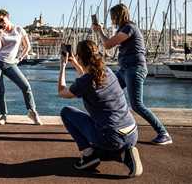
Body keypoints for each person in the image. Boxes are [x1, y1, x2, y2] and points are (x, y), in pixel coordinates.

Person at [58, 40, 143, 177]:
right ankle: (125, 155)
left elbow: (62, 92)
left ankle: (88, 156)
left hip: (111, 137)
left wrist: (62, 66)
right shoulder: (107, 71)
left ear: (80, 57)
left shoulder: (85, 82)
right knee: (104, 145)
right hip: (132, 132)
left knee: (66, 112)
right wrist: (75, 63)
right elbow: (87, 77)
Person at [92, 3, 172, 145]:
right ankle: (105, 125)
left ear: (117, 16)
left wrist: (99, 31)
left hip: (134, 69)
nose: (112, 20)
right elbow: (108, 44)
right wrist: (100, 32)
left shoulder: (129, 28)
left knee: (137, 105)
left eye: (112, 17)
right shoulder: (124, 29)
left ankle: (163, 133)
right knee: (105, 91)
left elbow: (108, 44)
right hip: (125, 69)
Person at [0, 8, 42, 125]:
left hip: (10, 64)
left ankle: (32, 112)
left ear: (7, 16)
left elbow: (27, 47)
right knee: (0, 90)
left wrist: (20, 58)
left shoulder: (19, 30)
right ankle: (3, 116)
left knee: (25, 86)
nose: (1, 23)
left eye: (2, 20)